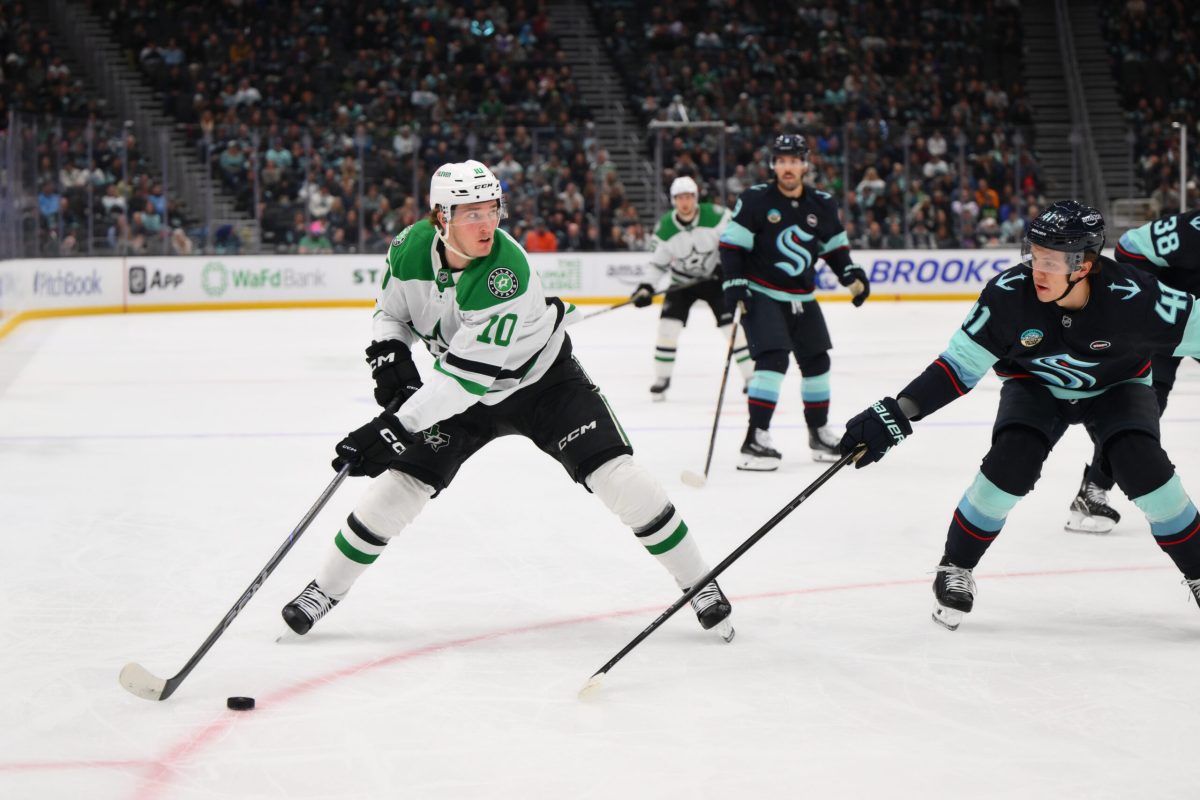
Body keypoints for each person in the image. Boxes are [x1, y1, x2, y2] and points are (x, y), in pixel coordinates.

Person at [281, 160, 734, 642]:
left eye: (492, 209)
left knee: (620, 479)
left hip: (543, 386)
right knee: (398, 488)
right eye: (471, 213)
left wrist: (394, 428)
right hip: (465, 391)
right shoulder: (408, 249)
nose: (487, 224)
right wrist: (388, 350)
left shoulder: (505, 272)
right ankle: (325, 589)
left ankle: (698, 582)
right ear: (440, 218)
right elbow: (390, 312)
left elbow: (463, 384)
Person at [838, 201, 1200, 631]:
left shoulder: (1138, 297)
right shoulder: (1008, 294)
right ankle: (955, 566)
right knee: (1010, 465)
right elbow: (958, 366)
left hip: (1118, 388)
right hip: (1036, 387)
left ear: (1084, 265)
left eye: (1050, 261)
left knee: (1145, 469)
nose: (1037, 270)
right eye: (1033, 255)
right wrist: (896, 414)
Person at [718, 133, 871, 470]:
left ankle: (818, 434)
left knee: (818, 363)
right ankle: (755, 439)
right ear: (774, 164)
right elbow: (732, 247)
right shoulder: (755, 199)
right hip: (762, 293)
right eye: (782, 160)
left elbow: (835, 248)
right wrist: (734, 286)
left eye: (794, 160)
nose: (788, 167)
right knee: (772, 360)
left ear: (805, 164)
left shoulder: (823, 203)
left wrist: (851, 276)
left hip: (803, 296)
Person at [1065, 207, 1200, 533]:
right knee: (1147, 401)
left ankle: (1093, 489)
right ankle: (1093, 490)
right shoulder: (1193, 230)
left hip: (1189, 313)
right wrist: (1156, 302)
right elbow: (1129, 246)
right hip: (1167, 310)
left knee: (1151, 399)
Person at [629, 176, 753, 401]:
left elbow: (735, 243)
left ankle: (751, 378)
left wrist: (729, 266)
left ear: (696, 198)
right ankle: (662, 379)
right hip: (682, 282)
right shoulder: (665, 228)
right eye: (680, 198)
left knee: (732, 328)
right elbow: (658, 263)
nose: (684, 202)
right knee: (667, 328)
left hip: (715, 279)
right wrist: (646, 286)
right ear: (673, 200)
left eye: (688, 197)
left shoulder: (717, 216)